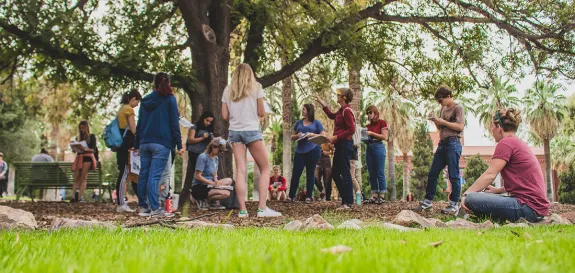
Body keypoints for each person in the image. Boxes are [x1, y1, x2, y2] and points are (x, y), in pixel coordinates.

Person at [461, 108, 549, 222]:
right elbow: (524, 184)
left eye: (492, 126)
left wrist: (466, 194)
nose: (491, 130)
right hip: (535, 208)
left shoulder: (506, 143)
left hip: (527, 208)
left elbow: (490, 174)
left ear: (498, 127)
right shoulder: (517, 142)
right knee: (479, 198)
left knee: (472, 198)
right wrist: (497, 190)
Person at [222, 63, 282, 217]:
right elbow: (261, 112)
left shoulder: (228, 90)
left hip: (235, 132)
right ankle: (262, 209)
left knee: (240, 171)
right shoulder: (256, 87)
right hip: (252, 131)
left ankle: (242, 210)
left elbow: (224, 116)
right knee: (265, 168)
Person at [134, 72, 183, 217]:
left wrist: (137, 143)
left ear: (153, 83)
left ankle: (143, 207)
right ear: (168, 83)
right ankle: (155, 209)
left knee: (144, 174)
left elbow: (140, 123)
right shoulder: (169, 99)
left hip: (145, 142)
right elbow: (174, 123)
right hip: (161, 143)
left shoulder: (145, 100)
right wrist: (179, 145)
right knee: (154, 176)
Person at [412, 85, 464, 214]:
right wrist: (435, 120)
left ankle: (453, 205)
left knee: (453, 175)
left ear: (448, 96)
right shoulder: (442, 109)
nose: (440, 103)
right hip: (442, 144)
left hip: (454, 142)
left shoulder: (458, 108)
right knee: (433, 173)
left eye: (441, 100)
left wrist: (442, 121)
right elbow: (441, 128)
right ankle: (427, 202)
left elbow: (460, 126)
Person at [316, 88, 356, 210]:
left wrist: (335, 137)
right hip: (340, 145)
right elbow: (331, 115)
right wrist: (322, 103)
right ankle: (345, 199)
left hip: (345, 144)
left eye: (338, 95)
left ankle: (348, 202)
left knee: (344, 172)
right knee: (335, 173)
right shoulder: (340, 111)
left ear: (344, 97)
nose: (336, 96)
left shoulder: (347, 111)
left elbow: (352, 130)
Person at [287, 103, 325, 203]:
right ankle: (291, 196)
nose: (302, 111)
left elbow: (323, 136)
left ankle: (309, 196)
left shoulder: (316, 123)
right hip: (299, 151)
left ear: (309, 111)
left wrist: (311, 134)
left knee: (310, 173)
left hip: (313, 150)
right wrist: (297, 136)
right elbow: (291, 137)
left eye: (303, 109)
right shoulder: (298, 123)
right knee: (296, 173)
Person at [180, 111, 215, 208]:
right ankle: (196, 196)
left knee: (206, 174)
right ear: (203, 118)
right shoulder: (194, 126)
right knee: (199, 174)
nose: (208, 123)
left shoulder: (209, 129)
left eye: (210, 122)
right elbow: (190, 140)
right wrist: (202, 138)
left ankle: (204, 197)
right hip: (195, 153)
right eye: (207, 120)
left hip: (205, 154)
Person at [115, 89, 142, 213]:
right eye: (137, 101)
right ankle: (120, 203)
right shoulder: (128, 110)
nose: (137, 104)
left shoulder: (121, 108)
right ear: (132, 98)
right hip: (126, 146)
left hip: (121, 145)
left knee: (124, 173)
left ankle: (121, 201)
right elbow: (133, 130)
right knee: (124, 174)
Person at [191, 138, 233, 210]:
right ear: (213, 147)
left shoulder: (216, 158)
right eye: (219, 150)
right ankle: (200, 199)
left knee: (229, 180)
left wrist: (217, 181)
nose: (220, 153)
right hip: (200, 186)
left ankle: (212, 202)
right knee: (226, 193)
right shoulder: (203, 157)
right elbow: (197, 176)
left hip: (210, 185)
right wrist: (212, 183)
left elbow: (214, 175)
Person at [364, 105, 388, 204]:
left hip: (378, 147)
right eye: (367, 113)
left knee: (380, 172)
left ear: (375, 112)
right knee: (371, 173)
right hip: (369, 147)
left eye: (370, 112)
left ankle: (382, 195)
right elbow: (366, 138)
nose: (369, 115)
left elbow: (384, 137)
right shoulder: (368, 126)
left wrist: (371, 134)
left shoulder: (382, 122)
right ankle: (374, 195)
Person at [72, 121, 99, 203]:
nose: (81, 130)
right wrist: (74, 148)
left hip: (87, 157)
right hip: (79, 157)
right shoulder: (78, 138)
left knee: (83, 178)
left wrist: (85, 149)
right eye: (80, 128)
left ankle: (80, 197)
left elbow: (93, 149)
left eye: (83, 128)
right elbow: (76, 151)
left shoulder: (91, 137)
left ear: (86, 128)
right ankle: (73, 197)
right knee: (76, 178)